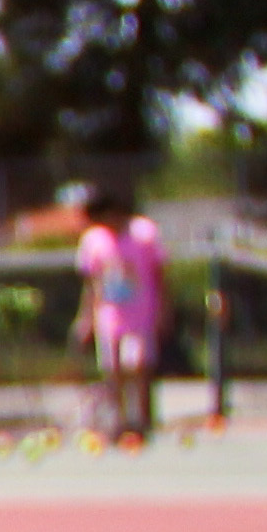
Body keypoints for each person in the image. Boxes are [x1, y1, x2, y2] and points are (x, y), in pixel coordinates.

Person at [69, 182, 164, 445]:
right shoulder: (93, 240)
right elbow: (92, 283)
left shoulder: (144, 233)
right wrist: (85, 317)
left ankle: (143, 421)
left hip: (141, 310)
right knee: (114, 370)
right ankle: (119, 422)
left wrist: (163, 310)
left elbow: (159, 274)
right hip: (110, 313)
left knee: (140, 364)